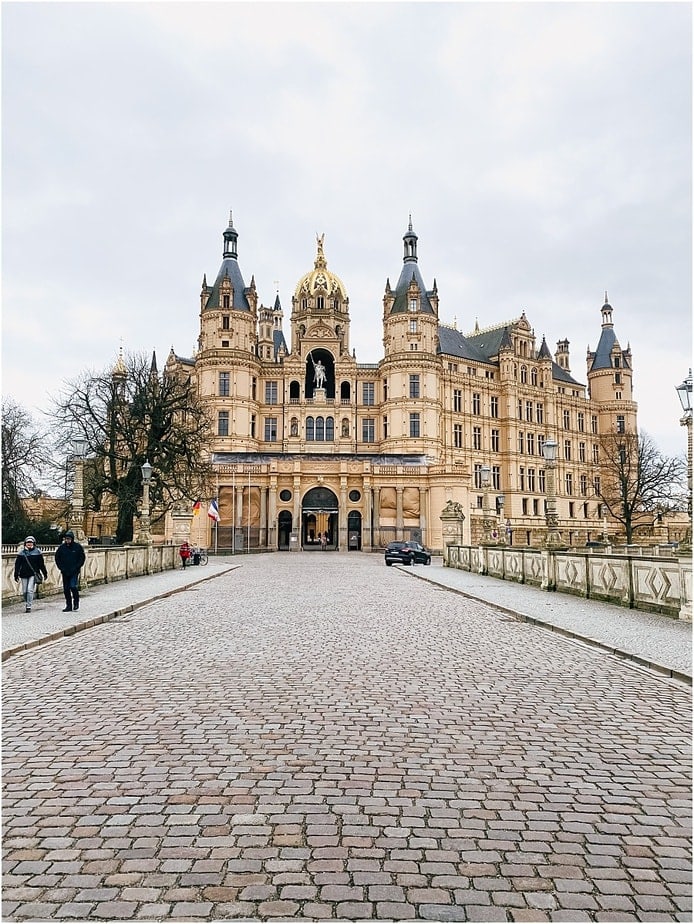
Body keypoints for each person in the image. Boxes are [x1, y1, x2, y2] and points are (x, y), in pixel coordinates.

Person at [13, 536, 48, 613]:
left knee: (29, 590)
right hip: (23, 574)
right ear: (25, 543)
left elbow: (41, 564)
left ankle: (28, 606)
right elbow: (17, 565)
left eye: (31, 542)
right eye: (28, 542)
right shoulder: (21, 553)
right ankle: (27, 602)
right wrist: (16, 574)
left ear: (34, 543)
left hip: (33, 573)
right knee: (24, 591)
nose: (29, 544)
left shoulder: (38, 552)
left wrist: (45, 573)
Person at [55, 530, 85, 612]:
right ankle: (69, 605)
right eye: (66, 539)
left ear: (72, 539)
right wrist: (61, 568)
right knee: (66, 589)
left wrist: (77, 567)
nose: (67, 540)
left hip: (74, 571)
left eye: (68, 539)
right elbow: (57, 558)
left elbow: (82, 558)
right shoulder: (62, 548)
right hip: (65, 571)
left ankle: (76, 601)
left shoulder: (77, 547)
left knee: (73, 586)